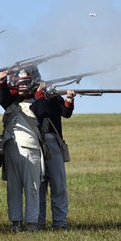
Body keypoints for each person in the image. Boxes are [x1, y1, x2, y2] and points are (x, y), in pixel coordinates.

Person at [0, 66, 45, 232]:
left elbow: (42, 111)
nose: (22, 86)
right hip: (11, 148)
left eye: (25, 83)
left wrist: (39, 94)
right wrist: (2, 83)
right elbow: (2, 98)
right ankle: (15, 222)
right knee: (13, 188)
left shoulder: (39, 101)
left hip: (30, 149)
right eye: (20, 83)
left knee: (32, 187)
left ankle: (32, 223)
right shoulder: (11, 101)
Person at [34, 84, 75, 230]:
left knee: (58, 184)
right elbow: (41, 110)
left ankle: (60, 222)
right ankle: (39, 222)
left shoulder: (53, 97)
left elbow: (66, 112)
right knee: (39, 185)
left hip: (53, 142)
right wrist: (39, 95)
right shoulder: (32, 98)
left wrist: (69, 99)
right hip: (36, 143)